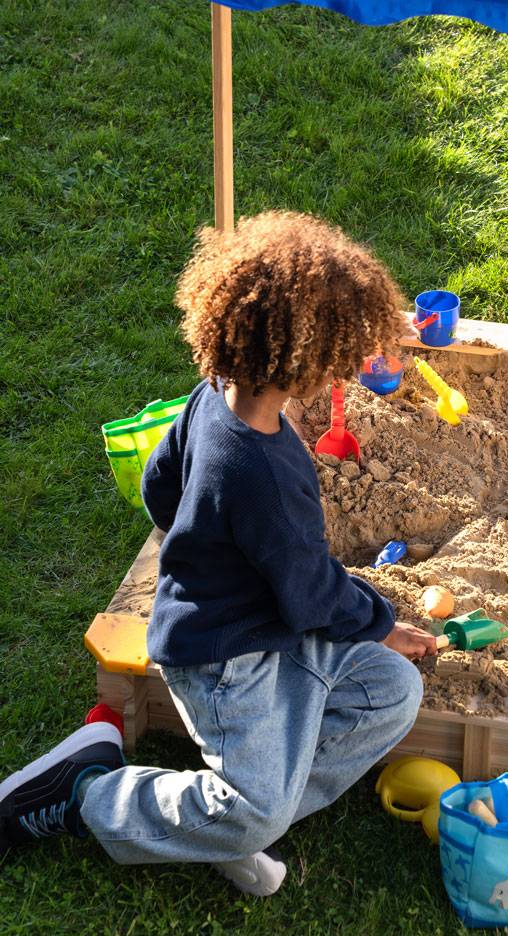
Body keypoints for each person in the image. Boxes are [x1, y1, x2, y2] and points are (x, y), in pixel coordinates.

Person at [0, 211, 437, 895]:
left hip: (270, 623)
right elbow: (312, 591)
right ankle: (91, 791)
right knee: (257, 809)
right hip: (223, 656)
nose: (347, 366)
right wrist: (382, 622)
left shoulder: (212, 395)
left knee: (390, 692)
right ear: (305, 356)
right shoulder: (261, 472)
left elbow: (158, 486)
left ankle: (226, 827)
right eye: (340, 350)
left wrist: (202, 543)